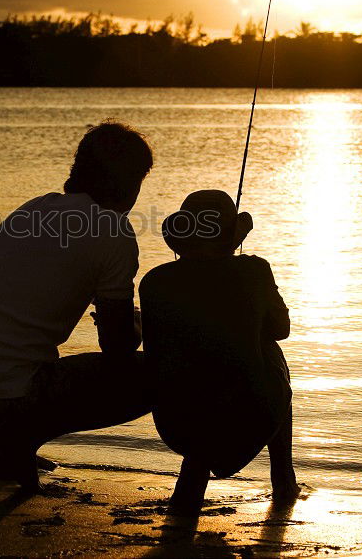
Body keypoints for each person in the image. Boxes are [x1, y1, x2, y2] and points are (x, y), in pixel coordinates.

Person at [0, 121, 154, 491]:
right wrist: (141, 324)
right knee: (156, 375)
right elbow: (118, 347)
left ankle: (13, 443)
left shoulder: (34, 208)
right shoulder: (114, 232)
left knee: (33, 361)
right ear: (130, 182)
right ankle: (16, 445)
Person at [139, 189, 299, 514]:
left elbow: (157, 351)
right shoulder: (253, 271)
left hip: (176, 420)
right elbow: (281, 330)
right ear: (231, 238)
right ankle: (283, 478)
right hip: (250, 413)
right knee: (269, 351)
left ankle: (191, 482)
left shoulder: (155, 281)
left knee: (197, 368)